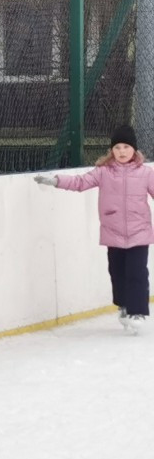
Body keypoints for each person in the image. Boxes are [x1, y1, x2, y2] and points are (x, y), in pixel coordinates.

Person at [35, 124, 154, 336]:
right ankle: (124, 305)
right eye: (117, 148)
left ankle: (138, 311)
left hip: (139, 233)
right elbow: (80, 182)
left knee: (137, 273)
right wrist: (55, 181)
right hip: (113, 232)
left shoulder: (146, 174)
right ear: (111, 151)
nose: (122, 152)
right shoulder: (103, 172)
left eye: (126, 147)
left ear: (134, 150)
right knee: (117, 273)